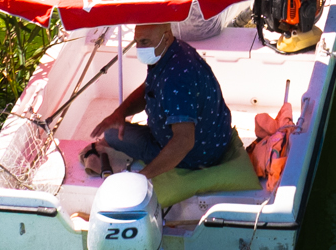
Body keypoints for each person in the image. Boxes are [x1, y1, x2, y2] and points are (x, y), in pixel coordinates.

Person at [85, 22, 236, 181]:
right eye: (137, 42)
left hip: (197, 156)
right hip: (215, 136)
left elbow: (184, 142)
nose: (140, 48)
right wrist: (120, 113)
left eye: (145, 42)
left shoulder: (175, 80)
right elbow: (150, 87)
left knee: (111, 135)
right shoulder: (174, 50)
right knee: (113, 131)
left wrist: (142, 177)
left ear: (166, 37)